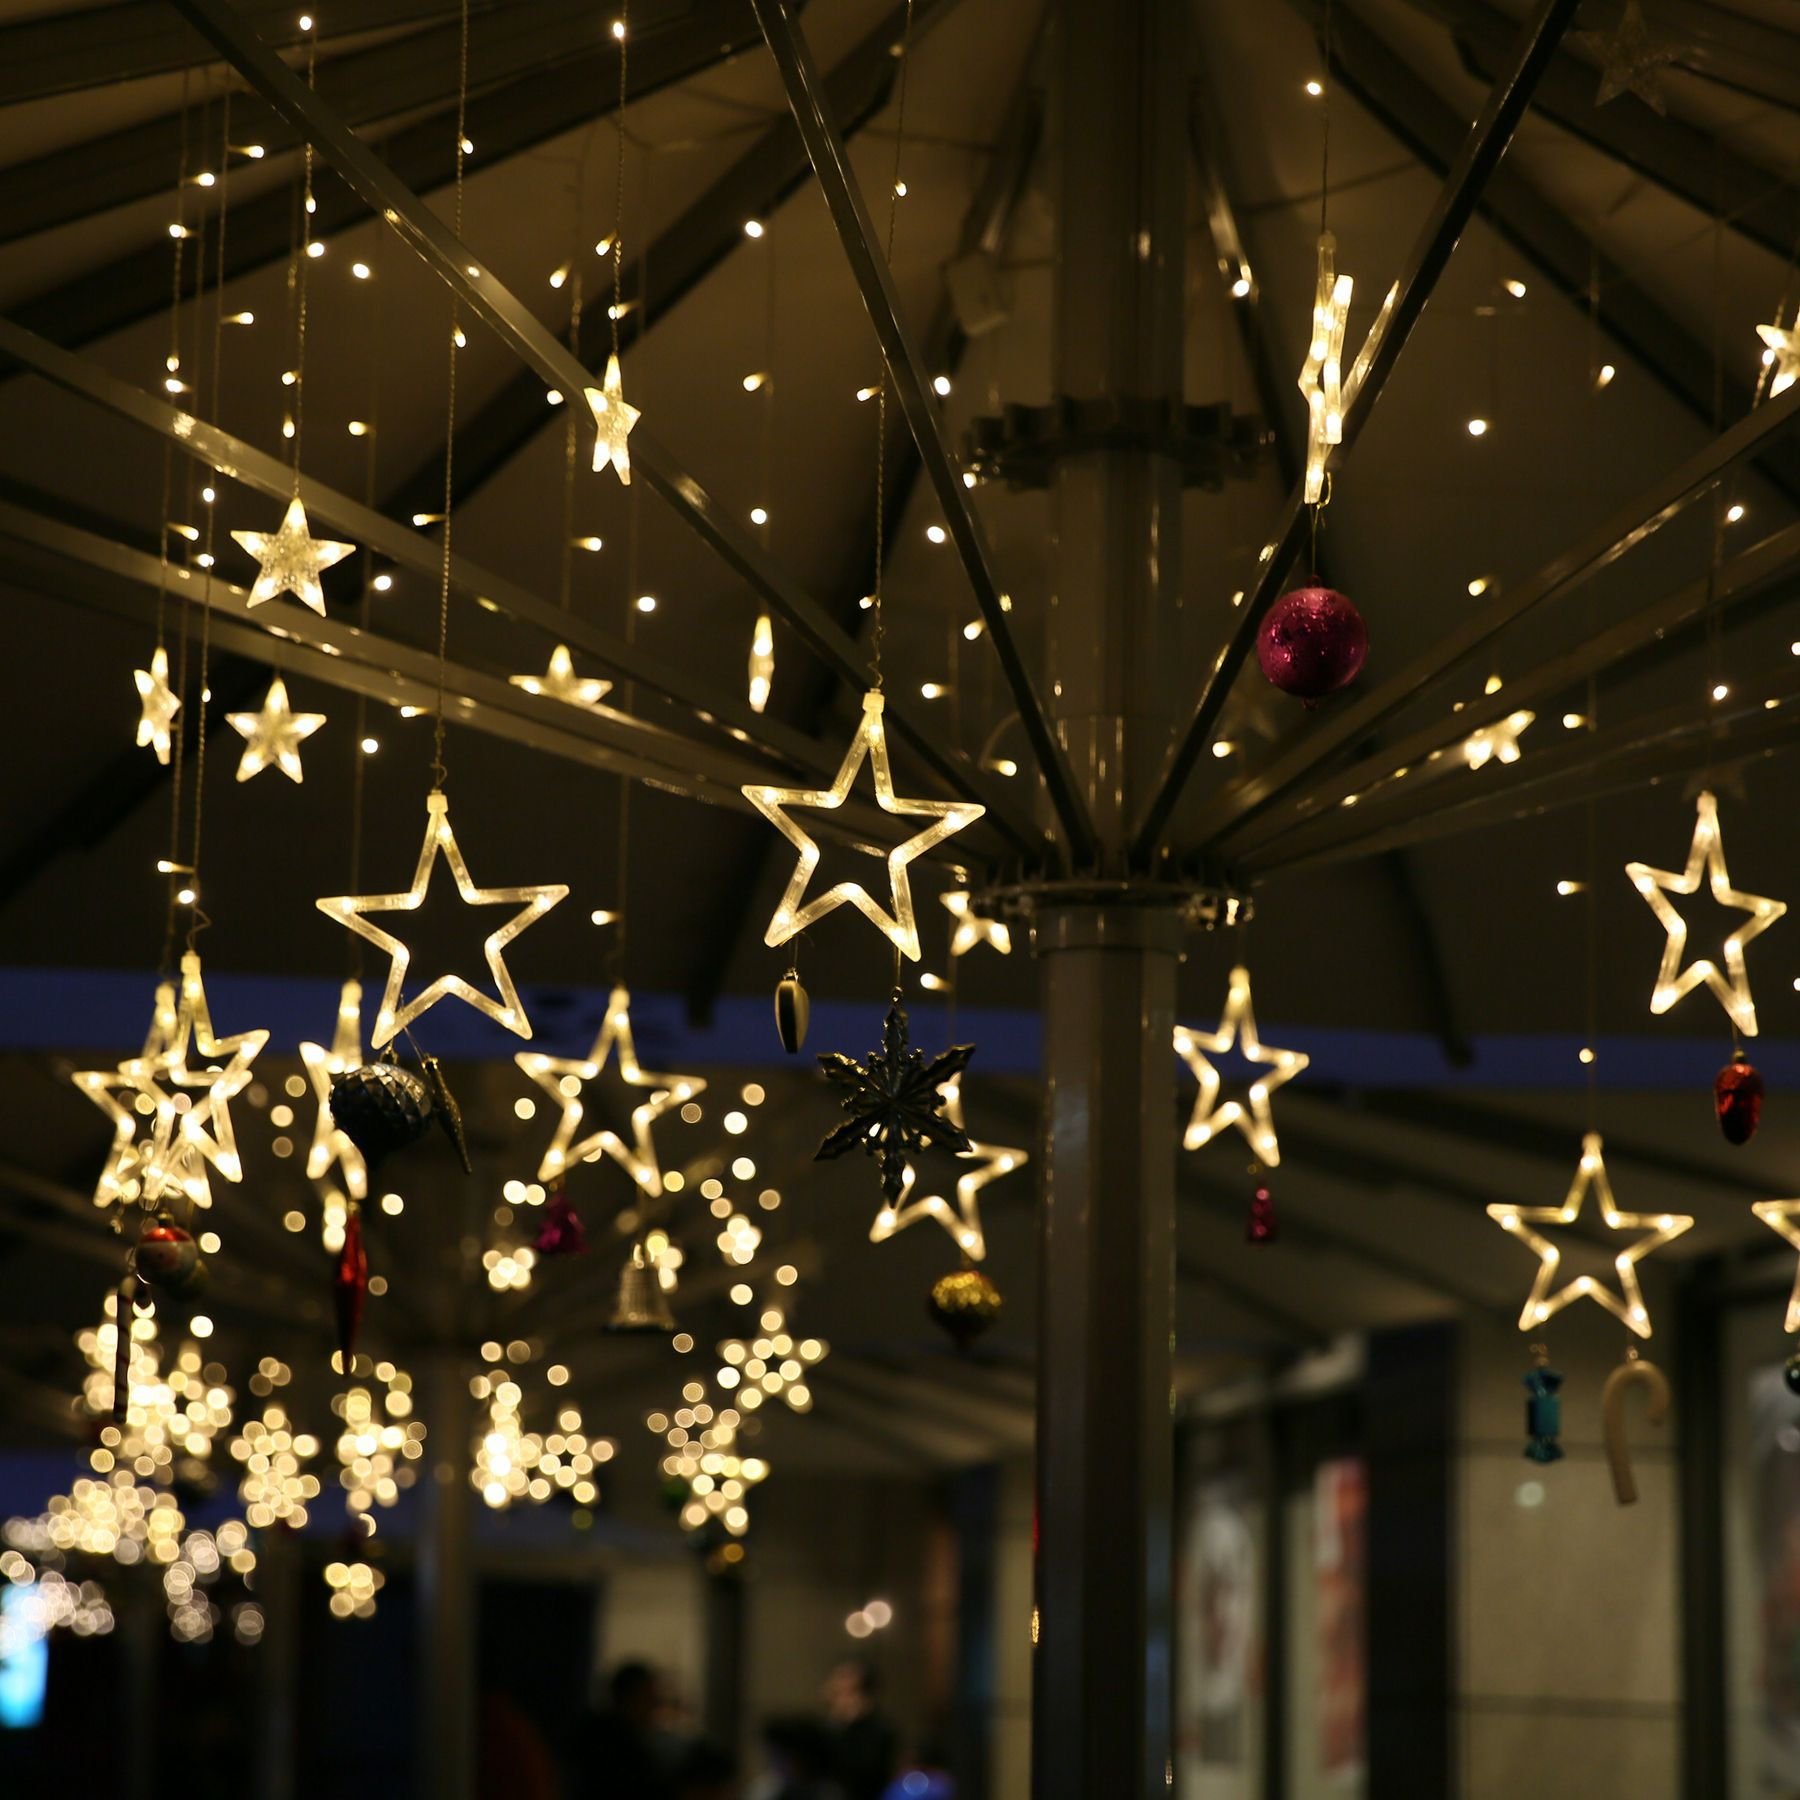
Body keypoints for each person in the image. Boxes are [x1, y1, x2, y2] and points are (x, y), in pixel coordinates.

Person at [575, 1660, 679, 1799]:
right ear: (629, 1698)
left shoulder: (595, 1733)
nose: (653, 1707)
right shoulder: (616, 1746)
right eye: (647, 1698)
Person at [820, 1660, 896, 1800]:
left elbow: (863, 1776)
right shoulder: (826, 1729)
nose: (838, 1700)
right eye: (835, 1693)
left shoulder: (880, 1732)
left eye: (846, 1692)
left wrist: (850, 1725)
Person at [761, 1716, 845, 1800]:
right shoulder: (779, 1791)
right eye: (773, 1757)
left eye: (780, 1757)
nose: (774, 1764)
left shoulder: (829, 1793)